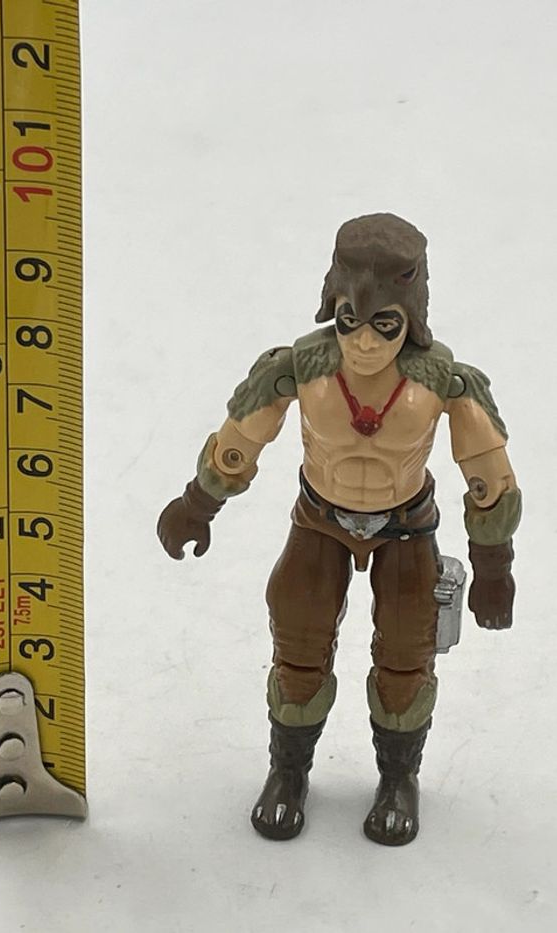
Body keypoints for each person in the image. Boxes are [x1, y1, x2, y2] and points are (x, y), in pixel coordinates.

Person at [157, 213, 520, 846]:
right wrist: (198, 503)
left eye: (386, 325)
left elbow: (488, 476)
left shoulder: (442, 382)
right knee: (298, 642)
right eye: (350, 320)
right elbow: (242, 439)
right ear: (333, 305)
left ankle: (398, 780)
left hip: (405, 527)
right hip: (319, 520)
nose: (365, 342)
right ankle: (288, 772)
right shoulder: (301, 367)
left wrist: (494, 567)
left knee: (406, 656)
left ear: (411, 317)